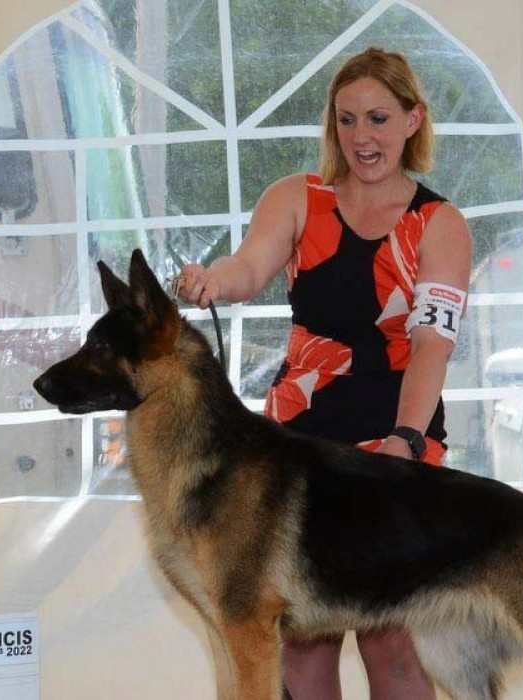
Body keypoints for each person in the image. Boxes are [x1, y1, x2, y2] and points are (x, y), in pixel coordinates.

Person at [178, 47, 471, 700]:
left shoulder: (439, 223)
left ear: (413, 120)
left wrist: (406, 442)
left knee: (391, 637)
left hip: (396, 439)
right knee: (304, 638)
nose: (362, 136)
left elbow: (431, 345)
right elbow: (248, 268)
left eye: (378, 118)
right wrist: (213, 280)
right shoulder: (296, 198)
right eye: (347, 119)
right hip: (299, 443)